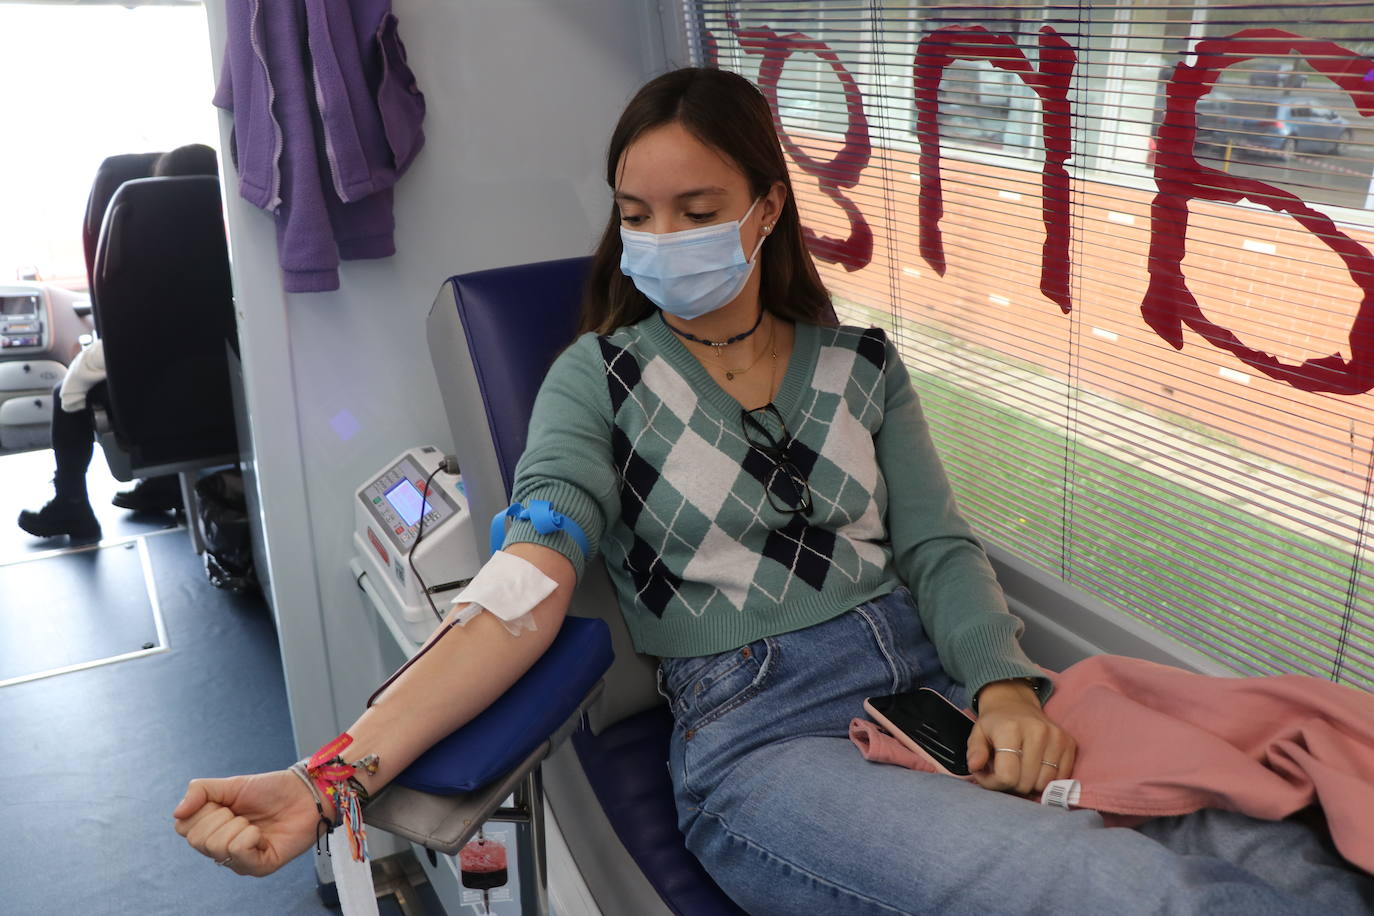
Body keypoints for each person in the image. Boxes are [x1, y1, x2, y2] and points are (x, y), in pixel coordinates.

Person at [173, 70, 1374, 914]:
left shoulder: (861, 367)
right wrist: (328, 774)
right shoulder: (597, 378)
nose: (661, 239)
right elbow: (518, 590)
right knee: (1127, 890)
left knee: (1258, 838)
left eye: (697, 212)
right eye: (636, 215)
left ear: (765, 209)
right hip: (765, 743)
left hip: (933, 688)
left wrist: (1006, 685)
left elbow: (943, 550)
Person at [17, 144, 219, 541]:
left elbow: (120, 349)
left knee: (67, 390)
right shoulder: (230, 250)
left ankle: (71, 504)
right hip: (223, 403)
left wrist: (77, 378)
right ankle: (167, 485)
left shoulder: (147, 262)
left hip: (159, 412)